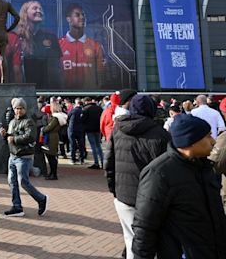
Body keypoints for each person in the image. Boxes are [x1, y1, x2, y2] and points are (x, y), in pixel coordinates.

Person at [132, 114, 226, 258]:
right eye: (207, 136)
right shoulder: (159, 173)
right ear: (191, 141)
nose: (213, 141)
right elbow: (145, 226)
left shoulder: (205, 167)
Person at [104, 94, 171, 259]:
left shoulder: (117, 130)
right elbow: (167, 171)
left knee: (131, 240)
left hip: (124, 196)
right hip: (151, 199)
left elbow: (109, 164)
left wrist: (114, 190)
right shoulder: (160, 134)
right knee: (151, 244)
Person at [0, 97, 48, 217]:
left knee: (23, 182)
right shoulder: (11, 122)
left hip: (24, 156)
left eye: (21, 108)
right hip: (13, 156)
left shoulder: (29, 122)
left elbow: (30, 137)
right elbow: (9, 139)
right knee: (12, 182)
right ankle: (17, 207)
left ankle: (41, 199)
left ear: (25, 109)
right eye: (16, 108)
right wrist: (5, 135)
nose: (18, 111)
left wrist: (13, 138)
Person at [15, 0, 62, 88]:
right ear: (25, 13)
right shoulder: (17, 37)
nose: (39, 11)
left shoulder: (51, 37)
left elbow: (57, 69)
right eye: (34, 8)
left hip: (47, 89)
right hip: (24, 90)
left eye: (40, 9)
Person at [59, 3, 106, 89]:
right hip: (64, 95)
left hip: (90, 95)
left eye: (83, 15)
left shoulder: (95, 46)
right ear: (68, 19)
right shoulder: (59, 44)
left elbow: (101, 74)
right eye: (77, 15)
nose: (82, 17)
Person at [40, 103, 63, 180]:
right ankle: (52, 173)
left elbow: (48, 128)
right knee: (50, 156)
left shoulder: (55, 118)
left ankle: (54, 174)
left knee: (51, 156)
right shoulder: (56, 117)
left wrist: (43, 129)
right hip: (52, 137)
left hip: (51, 138)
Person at [82, 97, 103, 169]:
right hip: (98, 129)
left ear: (86, 102)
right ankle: (103, 162)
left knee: (93, 146)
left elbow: (83, 120)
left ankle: (96, 162)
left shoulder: (86, 109)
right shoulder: (99, 108)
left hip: (89, 130)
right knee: (98, 146)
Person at [67, 100, 86, 165]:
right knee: (81, 144)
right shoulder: (83, 111)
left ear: (77, 104)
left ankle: (73, 159)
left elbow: (68, 117)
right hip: (80, 130)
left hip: (72, 129)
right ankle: (82, 159)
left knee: (73, 144)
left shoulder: (73, 111)